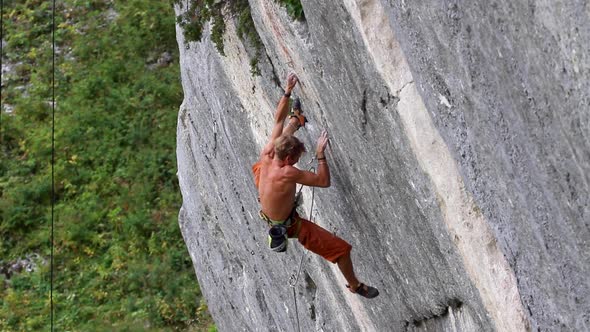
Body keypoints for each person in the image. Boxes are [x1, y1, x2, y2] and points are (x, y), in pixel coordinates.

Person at [252, 73, 379, 299]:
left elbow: (277, 120)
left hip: (266, 191)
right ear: (290, 160)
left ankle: (296, 119)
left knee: (266, 156)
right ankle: (355, 285)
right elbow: (323, 181)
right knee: (341, 251)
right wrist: (320, 155)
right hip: (288, 224)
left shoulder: (270, 150)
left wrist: (287, 91)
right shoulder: (288, 173)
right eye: (298, 157)